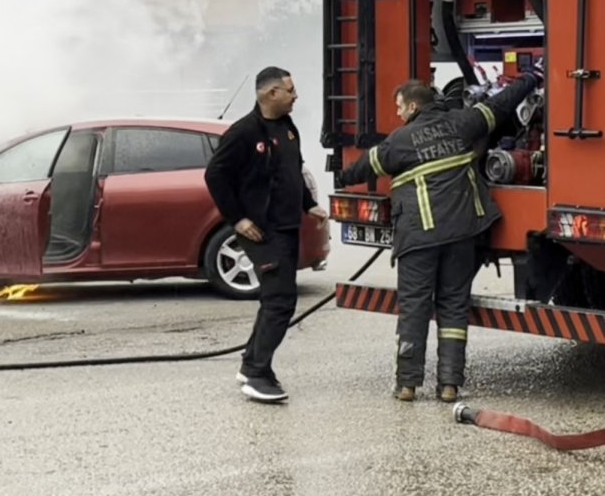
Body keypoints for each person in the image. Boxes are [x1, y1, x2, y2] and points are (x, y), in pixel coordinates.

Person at [336, 66, 544, 403]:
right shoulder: (462, 123)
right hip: (463, 234)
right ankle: (449, 385)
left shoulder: (398, 142)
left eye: (400, 107)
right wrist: (531, 79)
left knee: (415, 308)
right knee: (453, 307)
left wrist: (341, 178)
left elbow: (362, 168)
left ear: (414, 107)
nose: (398, 113)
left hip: (419, 239)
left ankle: (407, 384)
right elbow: (503, 104)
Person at [204, 66, 328, 403]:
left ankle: (251, 365)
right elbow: (215, 175)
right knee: (279, 301)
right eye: (290, 90)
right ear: (270, 93)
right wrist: (238, 219)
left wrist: (309, 204)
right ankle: (257, 375)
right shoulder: (243, 133)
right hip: (261, 229)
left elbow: (292, 171)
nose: (296, 95)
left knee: (277, 301)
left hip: (286, 225)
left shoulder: (287, 128)